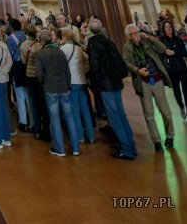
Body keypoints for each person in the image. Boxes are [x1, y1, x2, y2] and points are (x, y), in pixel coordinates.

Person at [87, 19, 137, 160]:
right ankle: (132, 146)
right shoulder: (109, 41)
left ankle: (126, 149)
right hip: (115, 82)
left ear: (90, 31)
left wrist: (96, 84)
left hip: (105, 84)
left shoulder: (93, 44)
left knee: (114, 117)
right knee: (121, 114)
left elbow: (95, 66)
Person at [122, 24, 174, 152]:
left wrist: (149, 37)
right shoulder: (127, 47)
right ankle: (156, 141)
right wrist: (137, 70)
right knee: (149, 114)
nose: (137, 35)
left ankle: (170, 136)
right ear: (129, 36)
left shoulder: (147, 42)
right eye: (134, 33)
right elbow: (126, 63)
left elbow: (162, 48)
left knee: (166, 112)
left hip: (157, 81)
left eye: (137, 32)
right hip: (143, 83)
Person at [34, 29, 79, 157]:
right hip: (64, 87)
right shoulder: (60, 52)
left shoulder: (40, 54)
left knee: (55, 119)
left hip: (50, 88)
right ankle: (75, 148)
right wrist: (68, 85)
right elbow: (67, 71)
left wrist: (43, 85)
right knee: (69, 118)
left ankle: (60, 149)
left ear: (42, 41)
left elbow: (39, 74)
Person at [60, 27, 95, 144]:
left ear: (64, 37)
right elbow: (88, 60)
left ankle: (80, 135)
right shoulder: (78, 49)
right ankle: (91, 135)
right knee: (85, 109)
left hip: (71, 82)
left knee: (74, 110)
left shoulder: (63, 49)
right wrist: (83, 71)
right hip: (82, 81)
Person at [159, 19, 187, 119]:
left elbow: (184, 52)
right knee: (177, 91)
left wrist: (174, 52)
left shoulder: (178, 39)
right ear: (163, 28)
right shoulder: (161, 40)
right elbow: (161, 54)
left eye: (170, 26)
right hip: (171, 70)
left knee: (186, 91)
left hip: (182, 68)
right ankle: (181, 106)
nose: (169, 28)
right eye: (166, 27)